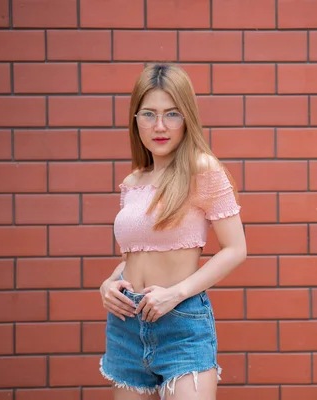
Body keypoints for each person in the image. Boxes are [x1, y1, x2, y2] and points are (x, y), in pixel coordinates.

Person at [98, 63, 247, 400]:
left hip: (181, 322)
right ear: (135, 120)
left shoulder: (202, 169)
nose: (160, 126)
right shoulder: (134, 181)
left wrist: (176, 293)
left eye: (172, 114)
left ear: (187, 118)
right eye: (149, 114)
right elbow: (134, 258)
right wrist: (109, 284)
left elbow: (236, 249)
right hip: (126, 326)